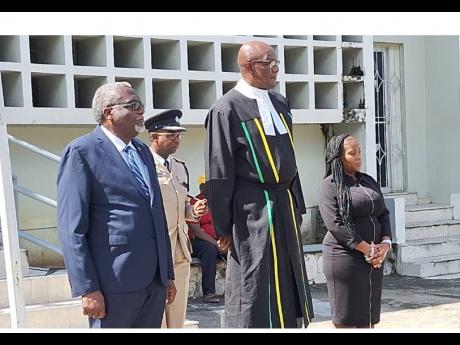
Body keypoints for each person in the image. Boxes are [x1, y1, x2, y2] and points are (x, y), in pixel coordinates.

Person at [204, 40, 314, 328]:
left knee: (288, 275)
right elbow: (219, 173)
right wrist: (223, 226)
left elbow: (289, 159)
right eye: (269, 62)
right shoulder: (225, 109)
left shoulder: (279, 102)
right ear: (249, 67)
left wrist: (297, 205)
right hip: (251, 209)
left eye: (276, 61)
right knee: (255, 277)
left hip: (284, 205)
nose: (276, 67)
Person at [57, 82, 176, 328]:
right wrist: (87, 288)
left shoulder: (142, 151)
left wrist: (167, 274)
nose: (141, 111)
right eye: (133, 106)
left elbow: (156, 214)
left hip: (153, 282)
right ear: (108, 112)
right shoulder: (82, 152)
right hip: (113, 283)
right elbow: (72, 228)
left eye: (140, 105)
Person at [318, 134, 392, 328]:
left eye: (359, 152)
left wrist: (385, 244)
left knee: (369, 318)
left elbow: (383, 213)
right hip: (345, 259)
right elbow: (335, 224)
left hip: (374, 261)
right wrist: (366, 249)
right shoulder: (330, 185)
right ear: (339, 157)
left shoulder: (368, 181)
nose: (359, 156)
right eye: (352, 153)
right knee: (348, 320)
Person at [144, 110, 208, 328]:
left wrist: (193, 210)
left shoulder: (179, 166)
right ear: (153, 137)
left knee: (177, 313)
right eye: (170, 134)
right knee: (158, 315)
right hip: (157, 251)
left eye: (179, 134)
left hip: (181, 249)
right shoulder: (144, 167)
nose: (176, 138)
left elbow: (181, 205)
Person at [187, 175, 226, 304]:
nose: (209, 188)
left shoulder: (218, 202)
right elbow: (197, 231)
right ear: (201, 187)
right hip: (198, 243)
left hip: (218, 241)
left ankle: (236, 291)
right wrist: (216, 244)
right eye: (205, 185)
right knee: (209, 250)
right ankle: (209, 292)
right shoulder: (195, 202)